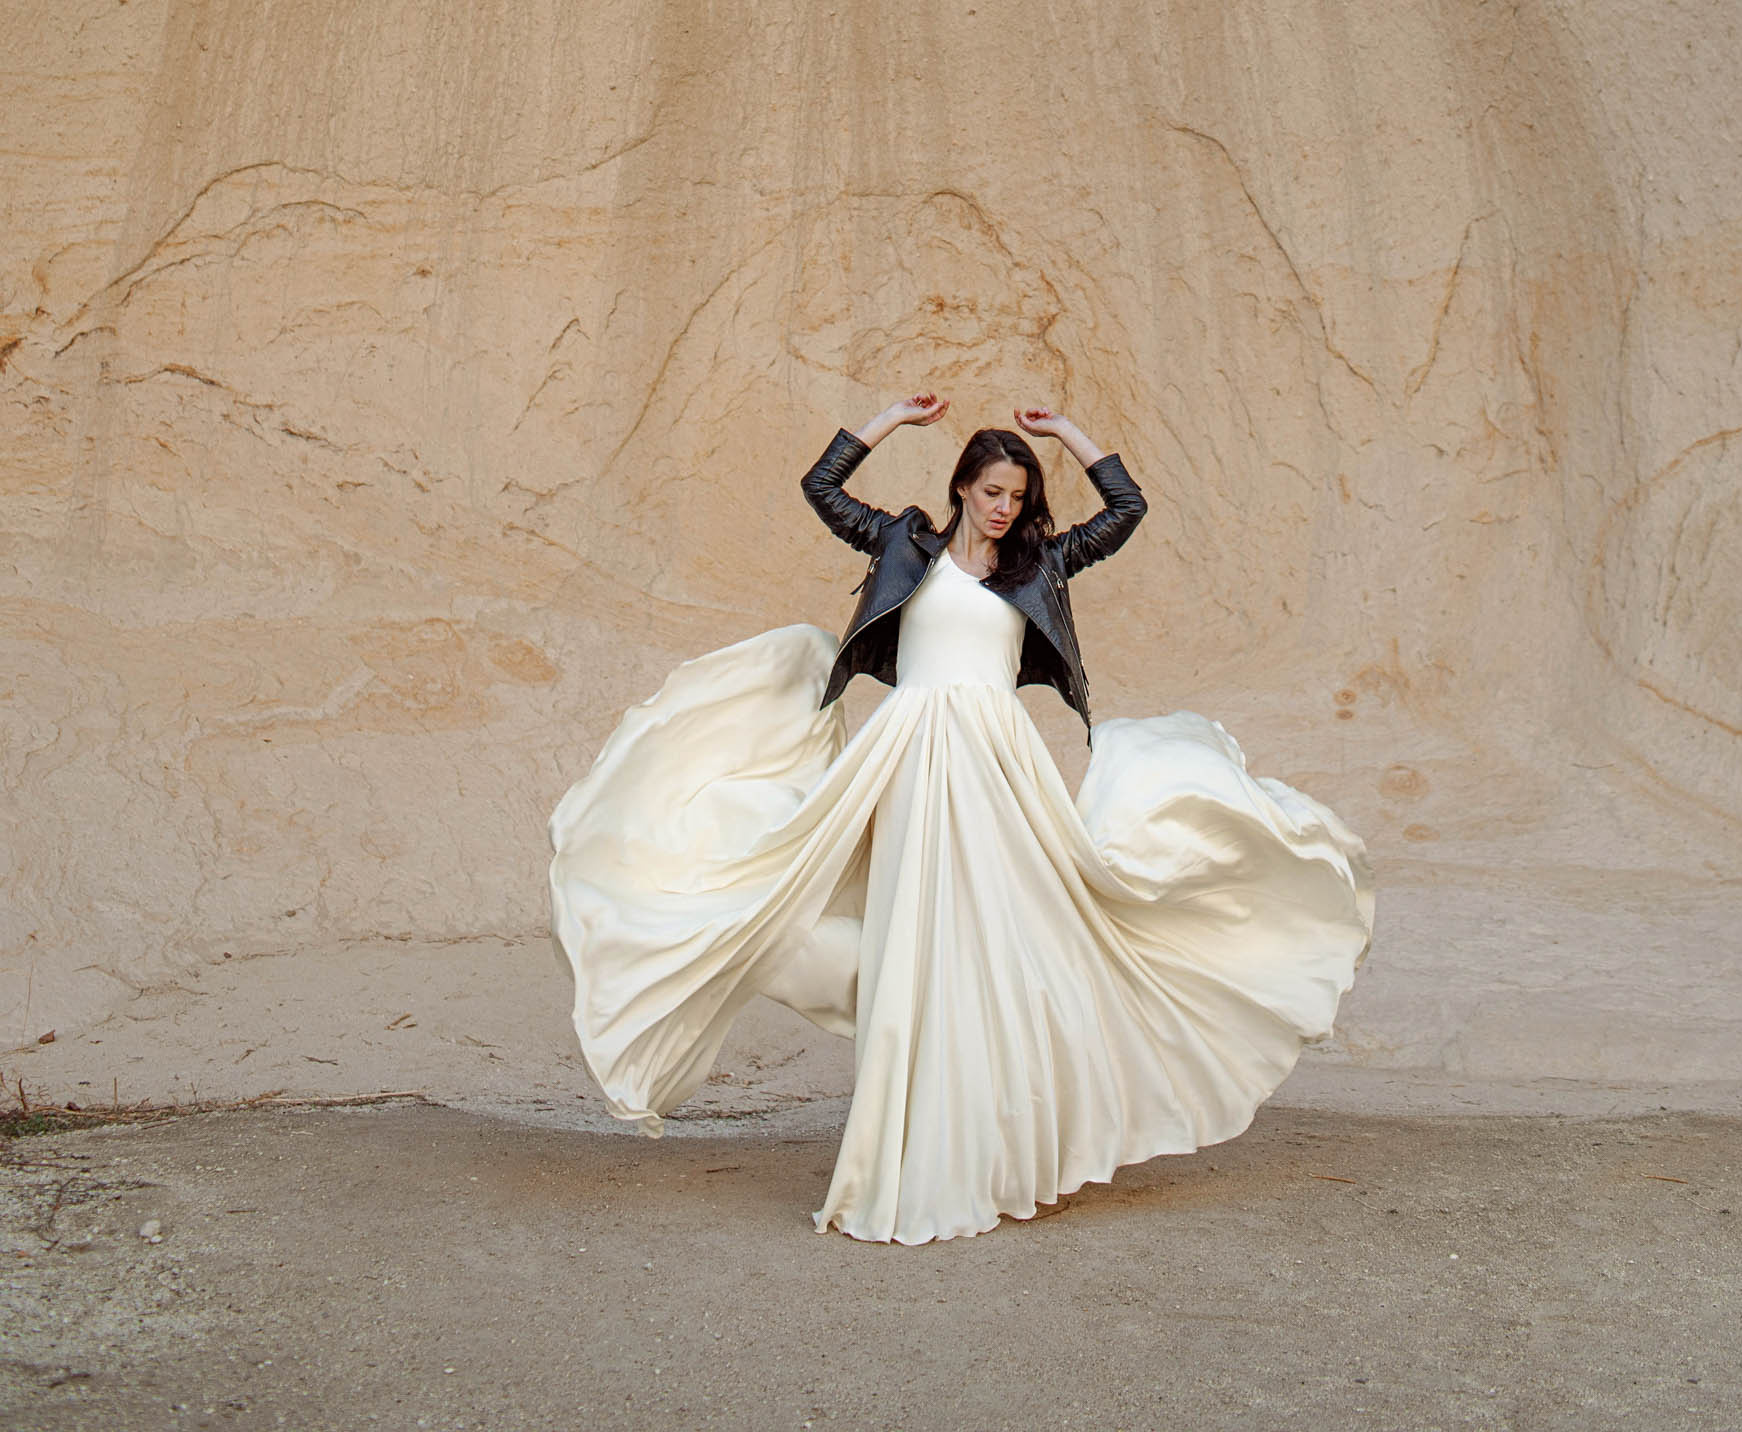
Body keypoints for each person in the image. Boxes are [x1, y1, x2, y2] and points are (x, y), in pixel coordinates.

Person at [549, 391, 1373, 1244]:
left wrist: (1066, 436)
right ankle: (908, 1148)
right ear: (962, 489)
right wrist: (887, 420)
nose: (1004, 507)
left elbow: (1127, 510)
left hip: (998, 763)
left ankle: (994, 1147)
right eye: (991, 492)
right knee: (914, 933)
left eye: (1017, 495)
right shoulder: (907, 545)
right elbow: (822, 488)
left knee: (1006, 935)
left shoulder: (1041, 563)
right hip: (912, 751)